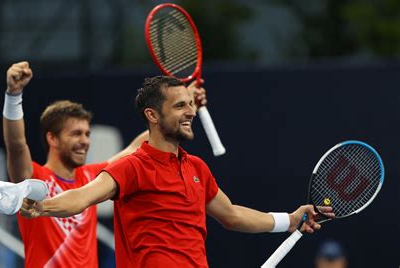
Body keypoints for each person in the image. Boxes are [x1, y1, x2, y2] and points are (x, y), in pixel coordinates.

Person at [20, 75, 334, 268]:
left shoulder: (197, 168)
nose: (190, 112)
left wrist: (290, 220)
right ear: (152, 115)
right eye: (180, 106)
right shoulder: (131, 167)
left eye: (190, 105)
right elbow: (82, 197)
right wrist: (41, 206)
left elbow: (232, 215)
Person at [2, 62, 181, 267]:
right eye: (76, 134)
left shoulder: (92, 177)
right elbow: (16, 145)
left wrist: (180, 106)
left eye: (87, 134)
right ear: (52, 139)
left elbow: (136, 147)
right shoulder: (33, 180)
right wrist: (13, 96)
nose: (85, 141)